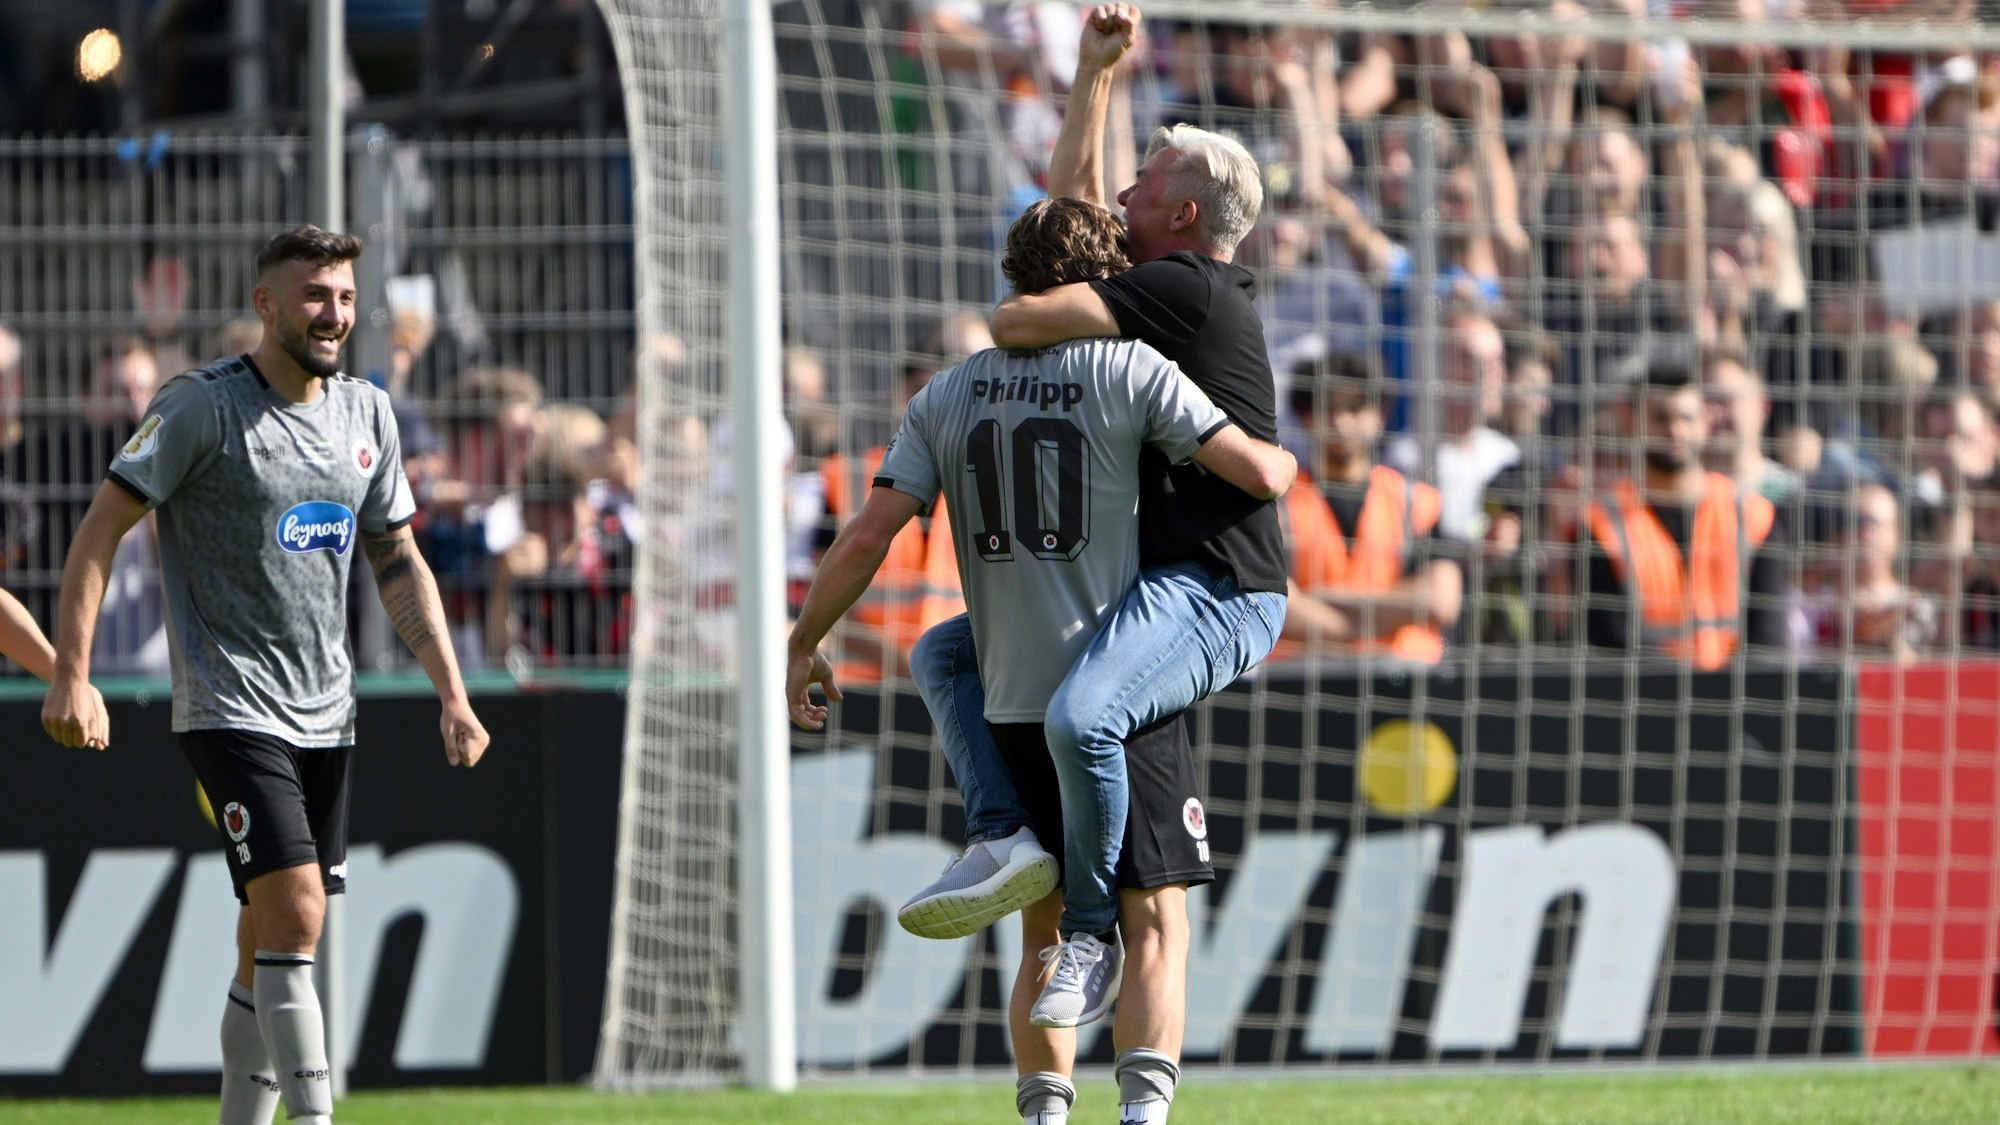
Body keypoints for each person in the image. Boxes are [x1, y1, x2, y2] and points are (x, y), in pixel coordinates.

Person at [789, 191, 1293, 1125]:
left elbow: (866, 538)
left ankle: (1042, 1113)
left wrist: (803, 639)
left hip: (1006, 689)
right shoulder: (1130, 368)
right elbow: (1258, 471)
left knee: (1035, 916)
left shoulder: (945, 391)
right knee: (1152, 924)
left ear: (1015, 280)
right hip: (1113, 669)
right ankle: (1141, 1116)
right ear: (1105, 285)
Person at [903, 7, 1286, 1119]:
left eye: (1142, 179)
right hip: (1100, 610)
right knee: (962, 673)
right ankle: (1051, 1101)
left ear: (1180, 211)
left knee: (1137, 890)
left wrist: (1272, 470)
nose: (1119, 194)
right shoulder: (1139, 304)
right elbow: (1070, 224)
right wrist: (1090, 80)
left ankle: (1126, 1090)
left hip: (1192, 593)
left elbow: (1025, 303)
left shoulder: (1179, 294)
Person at [39, 224, 490, 1125]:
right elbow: (98, 532)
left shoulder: (366, 413)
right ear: (266, 304)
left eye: (347, 297)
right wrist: (72, 674)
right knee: (296, 914)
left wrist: (452, 690)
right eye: (316, 294)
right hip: (229, 702)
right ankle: (317, 1119)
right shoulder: (201, 407)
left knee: (264, 941)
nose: (335, 314)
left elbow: (397, 561)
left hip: (330, 712)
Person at [1579, 358, 1790, 667]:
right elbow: (1609, 639)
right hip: (1643, 701)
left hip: (1737, 702)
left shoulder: (1754, 517)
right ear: (1632, 420)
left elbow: (1766, 639)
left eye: (1686, 418)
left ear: (1706, 419)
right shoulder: (1601, 524)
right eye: (1660, 418)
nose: (1675, 430)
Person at [1277, 354, 1461, 664]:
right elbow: (1275, 607)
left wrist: (1318, 599)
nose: (1341, 422)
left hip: (1401, 677)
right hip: (1302, 682)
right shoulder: (1279, 502)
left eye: (1355, 408)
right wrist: (1385, 610)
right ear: (1306, 416)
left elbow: (1440, 600)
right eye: (1328, 409)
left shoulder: (1415, 501)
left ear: (1381, 415)